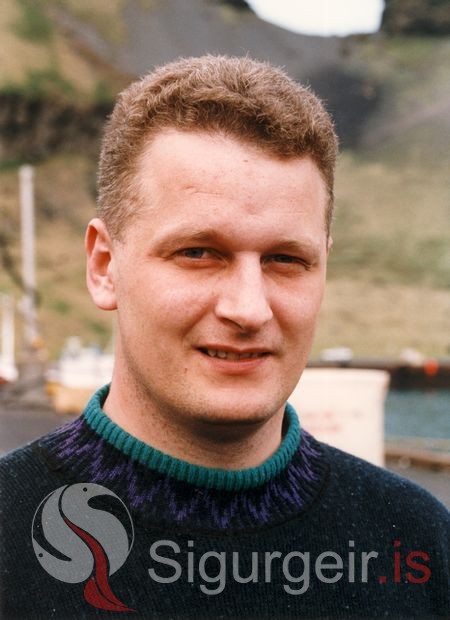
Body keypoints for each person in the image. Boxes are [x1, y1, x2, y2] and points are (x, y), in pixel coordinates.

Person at [1, 55, 448, 619]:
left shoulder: (419, 545)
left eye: (286, 259)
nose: (248, 308)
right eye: (198, 253)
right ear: (104, 266)